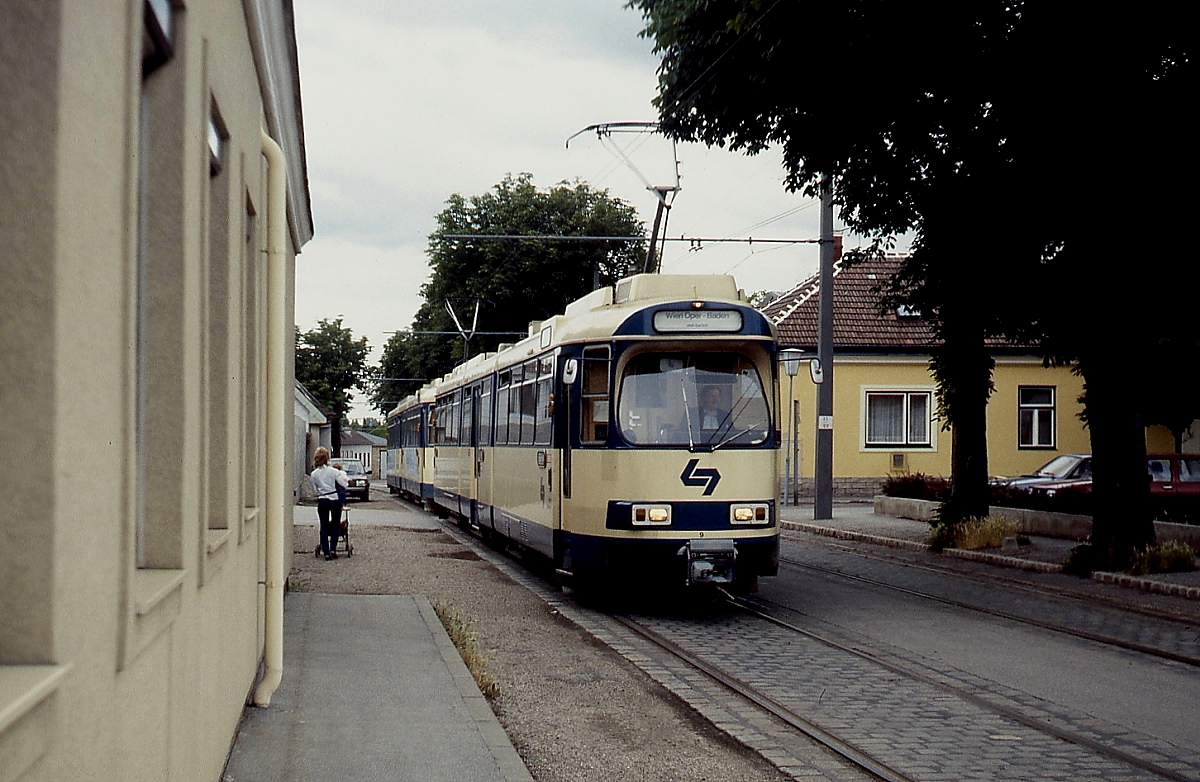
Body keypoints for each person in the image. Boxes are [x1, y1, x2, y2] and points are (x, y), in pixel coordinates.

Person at [311, 447, 348, 560]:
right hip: (334, 499)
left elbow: (314, 491)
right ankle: (333, 549)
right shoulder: (333, 471)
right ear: (327, 458)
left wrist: (322, 492)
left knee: (324, 525)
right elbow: (344, 484)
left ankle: (326, 552)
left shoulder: (314, 474)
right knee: (336, 524)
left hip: (322, 500)